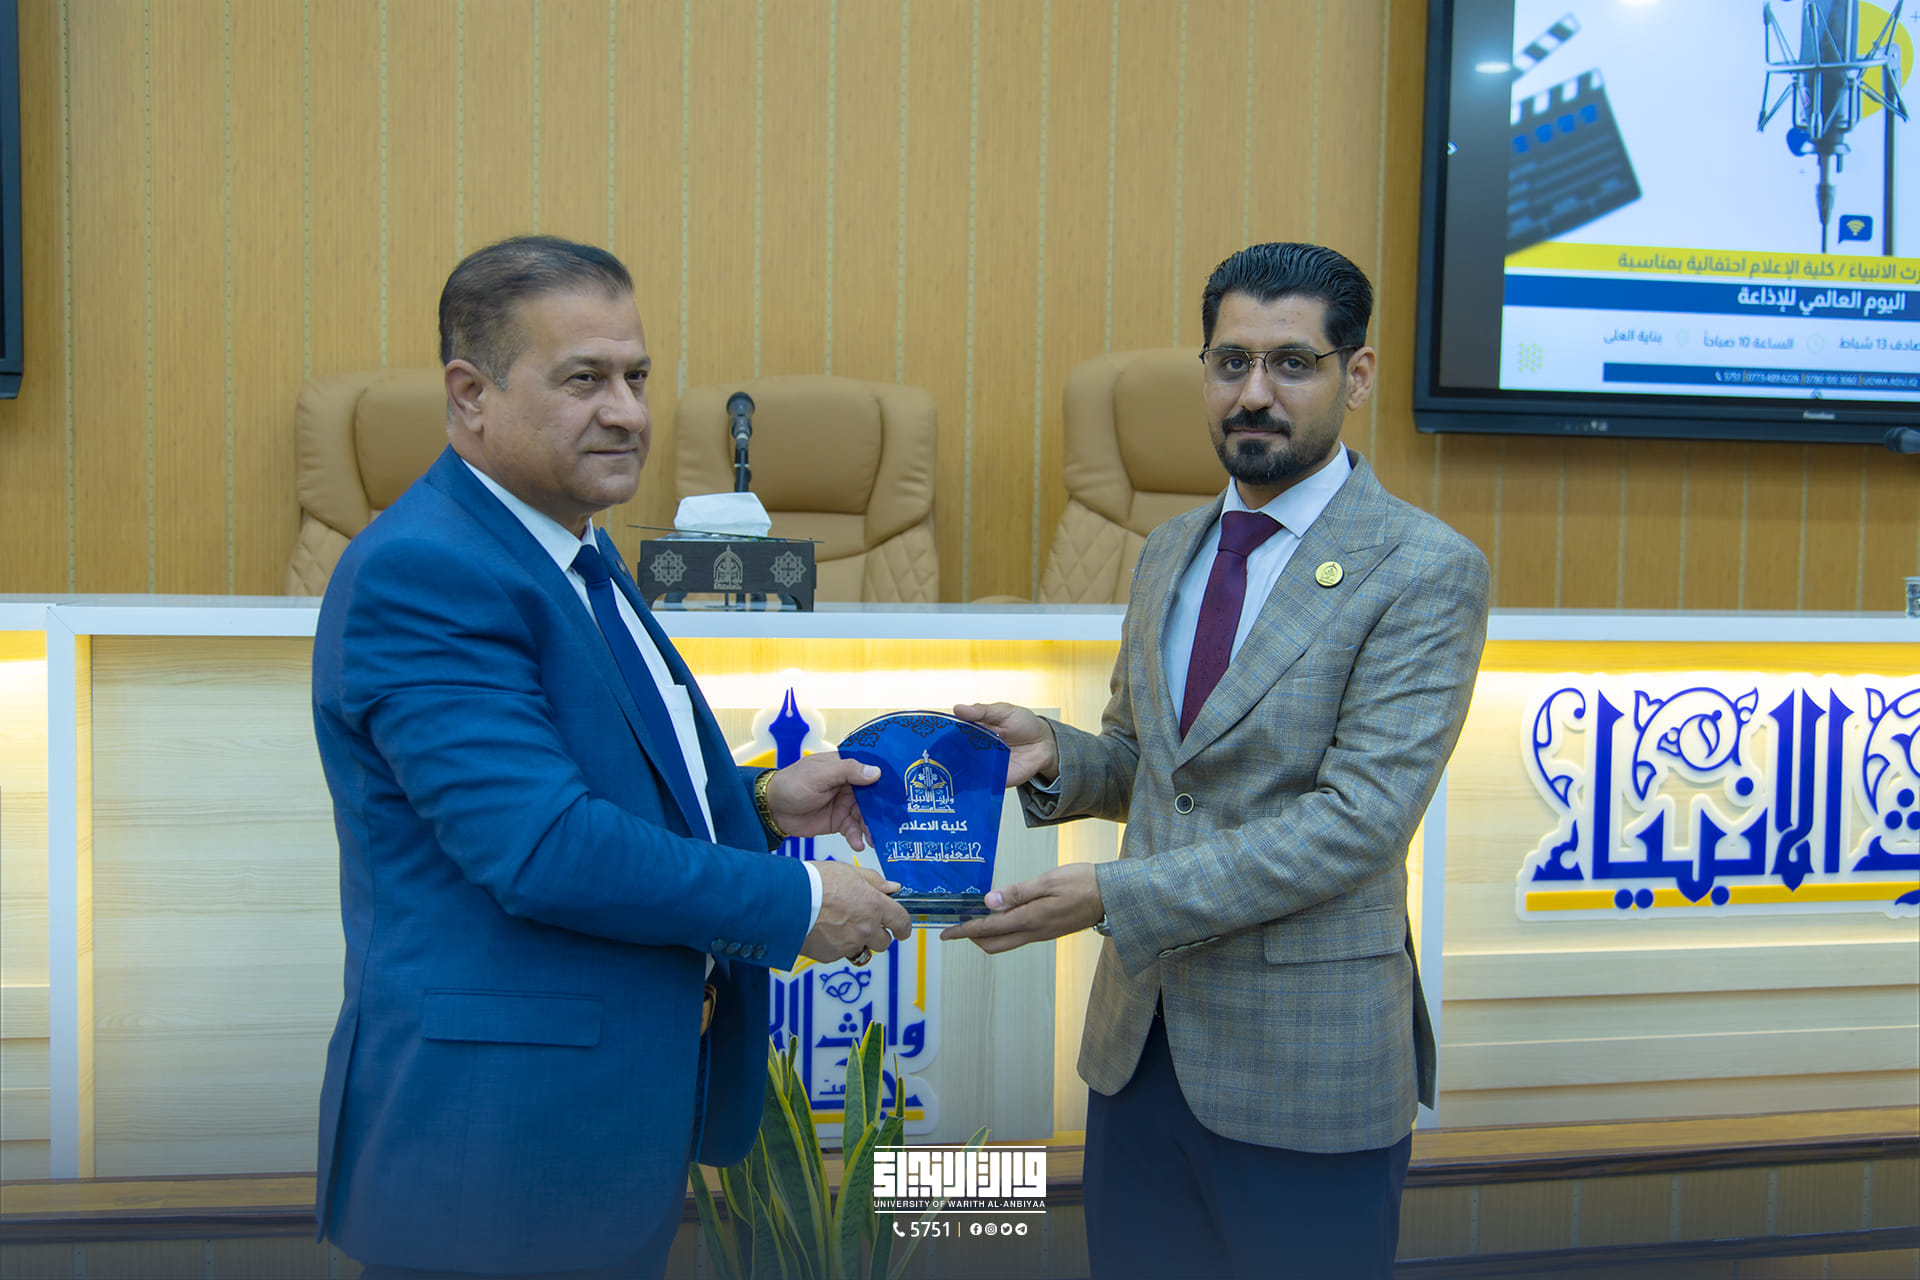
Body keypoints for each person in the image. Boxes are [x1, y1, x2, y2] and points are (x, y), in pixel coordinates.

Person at [310, 235, 912, 1280]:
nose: (628, 412)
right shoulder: (427, 570)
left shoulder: (573, 546)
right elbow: (542, 845)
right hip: (494, 1159)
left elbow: (594, 774)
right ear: (470, 395)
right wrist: (799, 901)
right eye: (583, 379)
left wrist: (759, 804)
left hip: (595, 1138)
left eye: (636, 376)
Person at [946, 242, 1491, 1279]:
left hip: (1307, 1073)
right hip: (1137, 1055)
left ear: (1356, 376)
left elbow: (1357, 823)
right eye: (1231, 362)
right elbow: (1151, 763)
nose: (1254, 394)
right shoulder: (1169, 550)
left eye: (1292, 364)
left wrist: (1112, 894)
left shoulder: (1426, 568)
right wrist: (1057, 754)